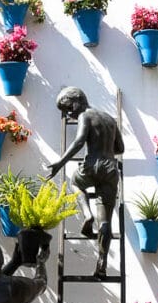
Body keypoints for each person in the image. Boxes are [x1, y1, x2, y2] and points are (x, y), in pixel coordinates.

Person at [47, 86, 124, 277]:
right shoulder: (110, 119)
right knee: (105, 221)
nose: (68, 113)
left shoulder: (85, 116)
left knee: (75, 182)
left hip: (92, 165)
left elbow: (80, 141)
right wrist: (105, 151)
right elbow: (120, 148)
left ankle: (87, 214)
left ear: (77, 100)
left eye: (68, 108)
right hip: (110, 168)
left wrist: (60, 162)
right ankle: (102, 264)